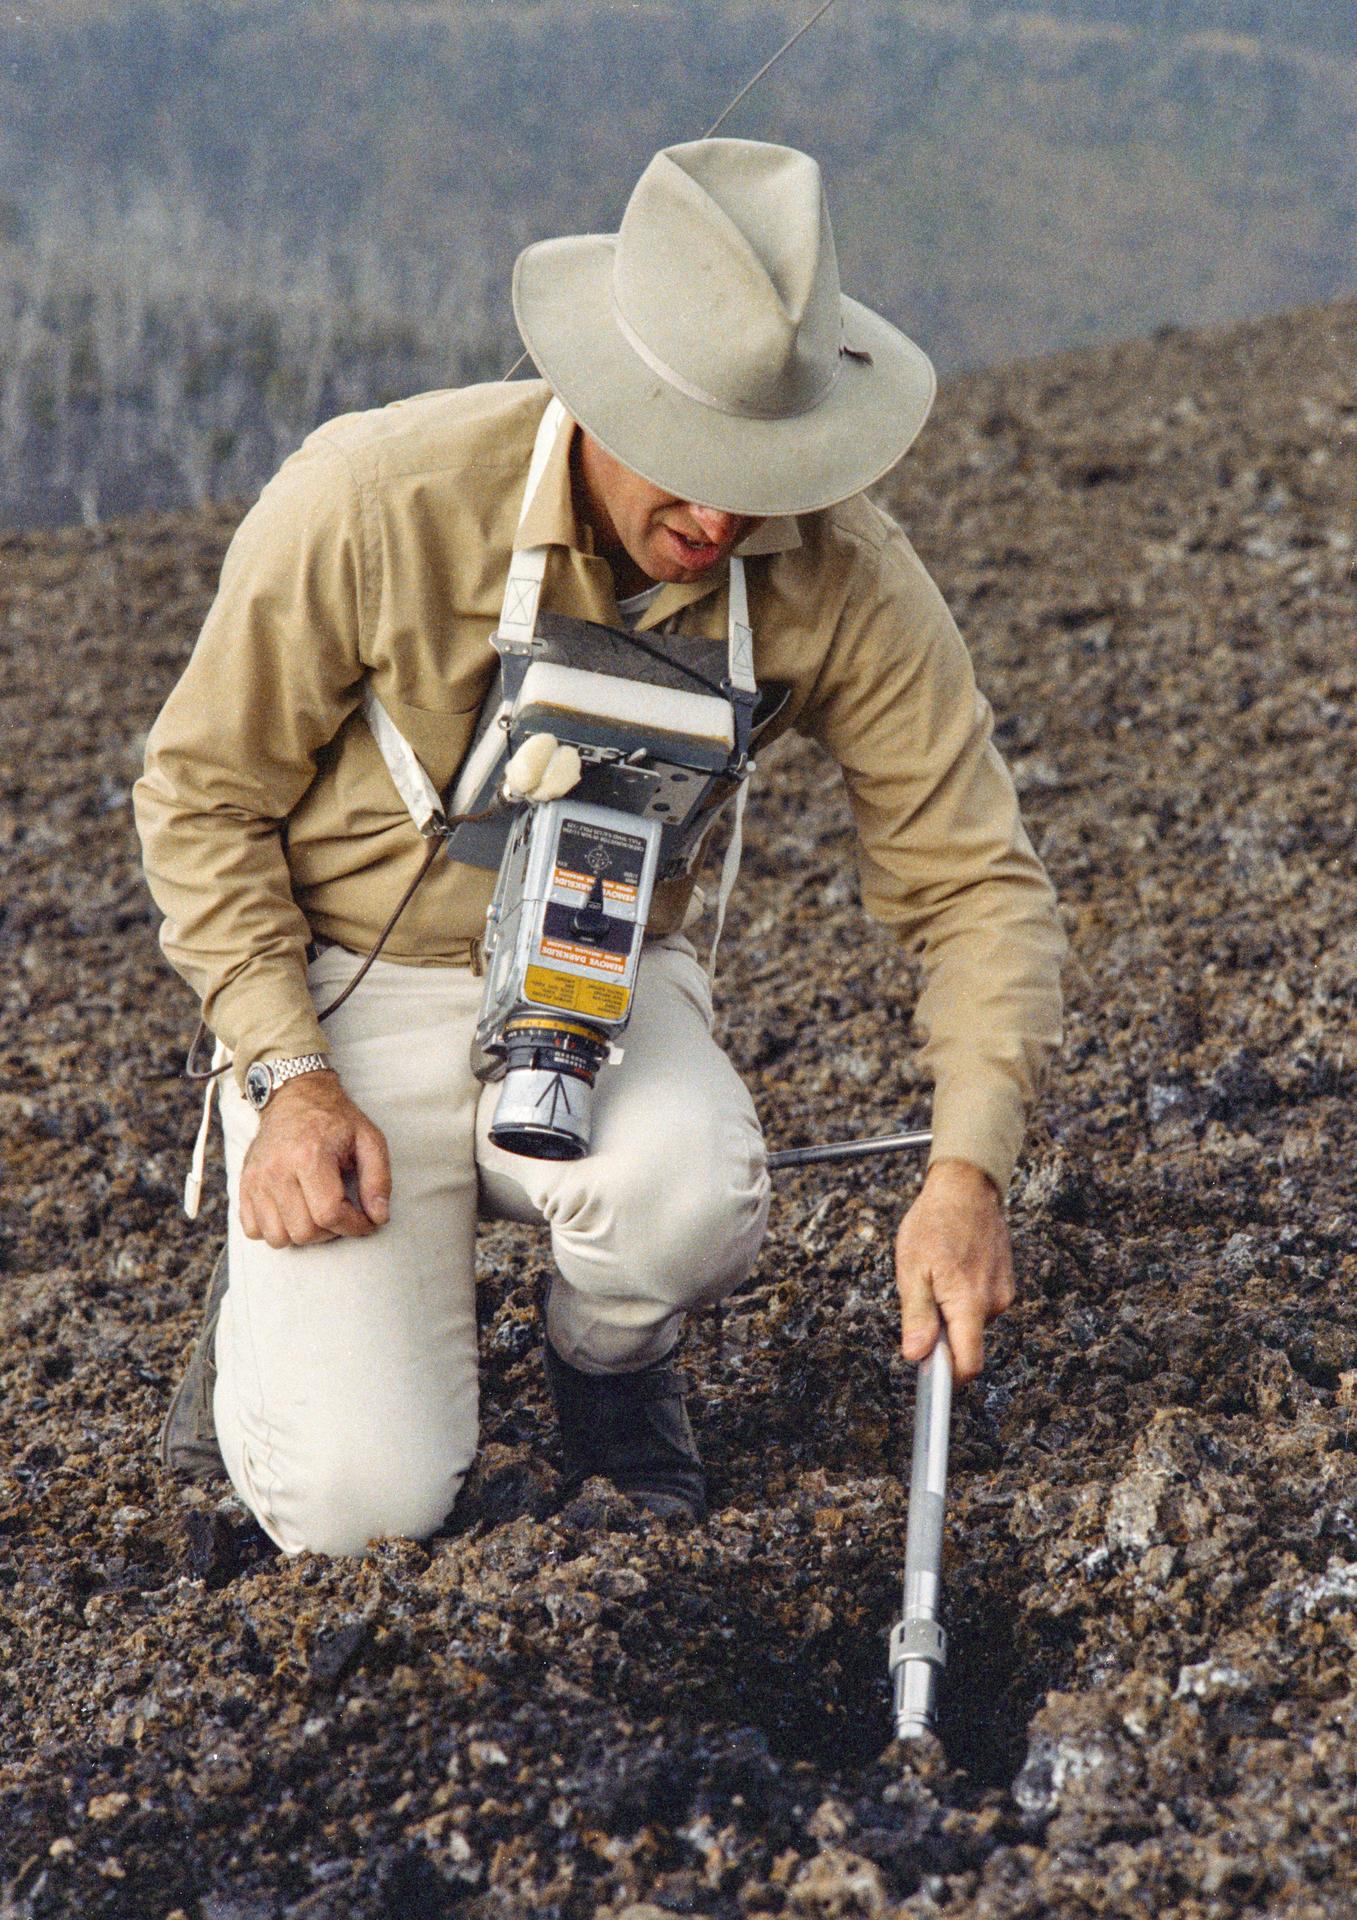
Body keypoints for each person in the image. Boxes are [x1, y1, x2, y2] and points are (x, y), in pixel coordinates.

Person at [134, 138, 1064, 1556]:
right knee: (363, 1507)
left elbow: (974, 882)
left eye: (761, 475)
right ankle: (283, 1307)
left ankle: (611, 1373)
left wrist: (965, 1174)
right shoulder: (376, 500)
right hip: (346, 993)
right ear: (595, 390)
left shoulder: (838, 569)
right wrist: (289, 1072)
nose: (719, 519)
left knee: (692, 1198)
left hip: (600, 976)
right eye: (689, 466)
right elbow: (199, 797)